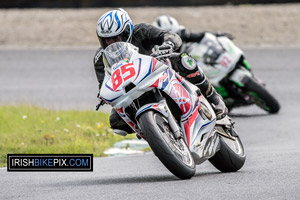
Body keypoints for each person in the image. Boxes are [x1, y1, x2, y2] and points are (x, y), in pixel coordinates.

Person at [94, 9, 228, 136]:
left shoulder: (141, 31)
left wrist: (168, 44)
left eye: (116, 38)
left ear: (127, 32)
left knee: (185, 61)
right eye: (107, 39)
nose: (111, 42)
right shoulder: (100, 58)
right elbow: (104, 83)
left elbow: (171, 36)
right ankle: (153, 132)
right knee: (116, 121)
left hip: (159, 70)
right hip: (131, 88)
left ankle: (213, 98)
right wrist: (104, 95)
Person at [152, 15, 234, 48]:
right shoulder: (157, 47)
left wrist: (218, 35)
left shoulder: (183, 33)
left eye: (174, 34)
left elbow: (200, 35)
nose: (171, 39)